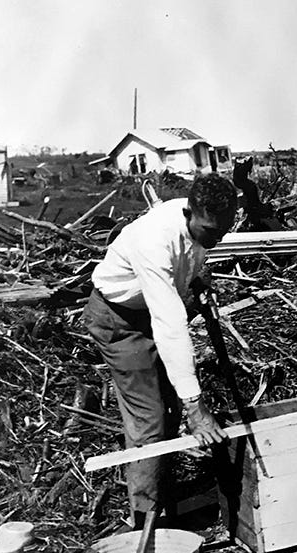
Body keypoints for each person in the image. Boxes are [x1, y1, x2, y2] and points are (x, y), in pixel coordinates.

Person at [82, 173, 236, 529]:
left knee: (168, 410)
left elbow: (185, 262)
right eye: (212, 231)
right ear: (190, 213)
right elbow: (170, 326)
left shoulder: (201, 224)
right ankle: (144, 522)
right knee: (149, 419)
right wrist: (197, 409)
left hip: (147, 310)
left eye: (224, 230)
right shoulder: (154, 240)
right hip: (118, 321)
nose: (219, 238)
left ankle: (163, 501)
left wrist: (196, 277)